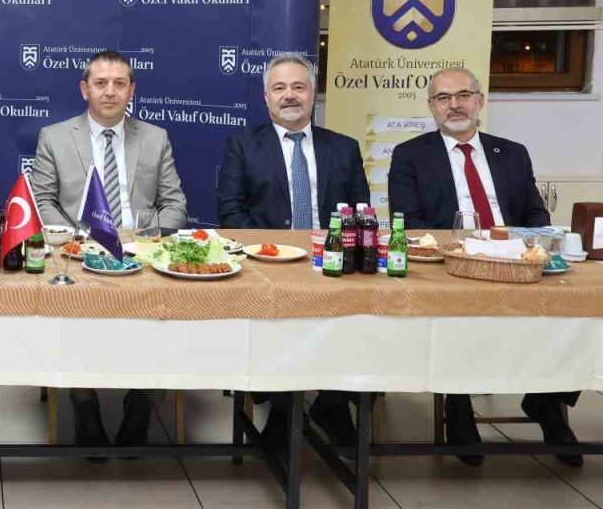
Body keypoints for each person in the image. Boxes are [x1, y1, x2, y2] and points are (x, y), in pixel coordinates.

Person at [389, 67, 578, 467]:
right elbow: (410, 222)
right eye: (443, 98)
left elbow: (535, 214)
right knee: (460, 317)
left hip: (514, 262)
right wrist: (465, 252)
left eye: (462, 95)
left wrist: (519, 249)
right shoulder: (410, 155)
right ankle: (458, 404)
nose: (454, 105)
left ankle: (548, 400)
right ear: (431, 106)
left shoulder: (511, 152)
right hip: (451, 266)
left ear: (480, 100)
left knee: (571, 311)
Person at [29, 49, 186, 456]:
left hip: (142, 256)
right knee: (71, 318)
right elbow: (42, 200)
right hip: (79, 257)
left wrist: (140, 236)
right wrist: (78, 238)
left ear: (132, 89)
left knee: (175, 317)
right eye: (101, 83)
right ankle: (86, 408)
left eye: (120, 83)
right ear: (85, 89)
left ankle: (141, 408)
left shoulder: (155, 138)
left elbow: (175, 205)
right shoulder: (56, 137)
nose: (110, 92)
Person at [216, 54, 370, 450]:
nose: (290, 96)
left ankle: (331, 403)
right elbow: (230, 213)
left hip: (331, 266)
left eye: (298, 87)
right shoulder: (243, 145)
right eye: (280, 88)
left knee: (364, 315)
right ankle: (286, 408)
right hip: (268, 265)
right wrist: (277, 251)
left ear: (313, 94)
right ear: (266, 98)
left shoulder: (344, 148)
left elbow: (359, 212)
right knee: (276, 321)